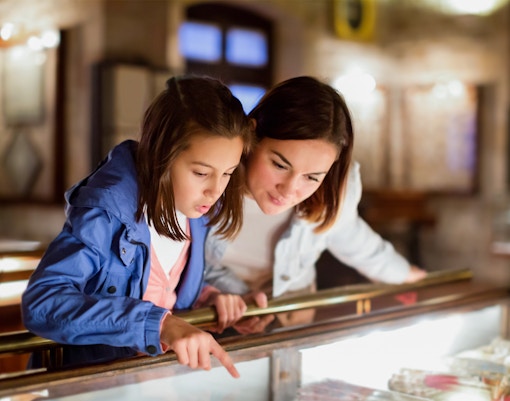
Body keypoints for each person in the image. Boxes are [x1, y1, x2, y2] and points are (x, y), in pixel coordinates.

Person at [21, 75, 253, 377]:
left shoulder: (198, 213)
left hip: (150, 381)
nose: (215, 190)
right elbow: (42, 303)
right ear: (161, 155)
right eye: (200, 172)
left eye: (227, 174)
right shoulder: (106, 214)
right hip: (89, 386)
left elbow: (162, 291)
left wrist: (209, 297)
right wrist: (158, 324)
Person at [204, 76, 427, 333]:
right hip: (212, 317)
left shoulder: (332, 191)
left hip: (290, 319)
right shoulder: (210, 178)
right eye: (279, 165)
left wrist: (405, 275)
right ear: (252, 135)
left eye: (312, 177)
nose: (289, 189)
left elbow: (353, 238)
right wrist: (232, 297)